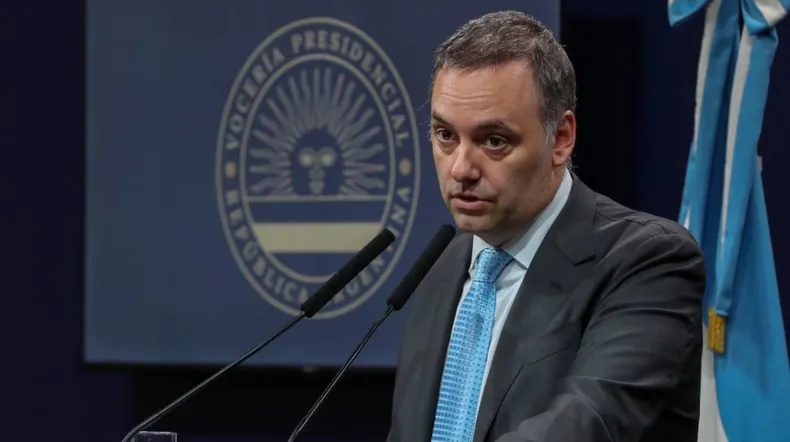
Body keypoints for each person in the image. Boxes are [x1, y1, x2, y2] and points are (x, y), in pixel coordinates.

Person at [385, 10, 706, 442]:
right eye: (446, 135)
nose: (460, 169)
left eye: (494, 141)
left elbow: (588, 423)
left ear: (561, 138)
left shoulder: (648, 263)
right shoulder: (443, 269)